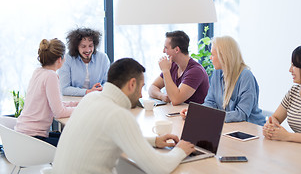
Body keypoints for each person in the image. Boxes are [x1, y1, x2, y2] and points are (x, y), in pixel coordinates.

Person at [52, 58, 195, 174]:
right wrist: (180, 150)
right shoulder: (117, 114)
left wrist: (154, 141)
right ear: (132, 84)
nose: (140, 95)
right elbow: (159, 168)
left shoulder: (91, 98)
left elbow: (110, 135)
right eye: (141, 87)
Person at [180, 36, 265, 125]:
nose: (210, 58)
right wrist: (196, 112)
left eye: (212, 55)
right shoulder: (217, 73)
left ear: (224, 56)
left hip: (250, 129)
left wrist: (212, 117)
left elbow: (241, 114)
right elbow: (210, 102)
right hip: (228, 126)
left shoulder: (246, 76)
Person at [14, 39, 78, 147]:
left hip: (22, 135)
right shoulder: (51, 76)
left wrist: (75, 104)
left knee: (68, 138)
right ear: (59, 59)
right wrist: (81, 109)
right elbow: (59, 112)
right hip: (32, 139)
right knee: (74, 144)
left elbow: (53, 103)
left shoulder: (38, 72)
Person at [148, 30, 209, 105]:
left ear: (177, 49)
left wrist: (165, 71)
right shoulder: (173, 65)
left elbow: (175, 100)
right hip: (176, 113)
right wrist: (162, 96)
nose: (163, 51)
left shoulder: (196, 71)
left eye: (166, 48)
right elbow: (152, 87)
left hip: (193, 115)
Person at [58, 27, 110, 96]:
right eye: (83, 46)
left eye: (90, 46)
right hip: (73, 100)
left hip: (97, 98)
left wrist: (101, 88)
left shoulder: (103, 58)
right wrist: (88, 92)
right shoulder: (67, 59)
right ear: (76, 47)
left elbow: (108, 84)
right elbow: (64, 89)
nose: (88, 50)